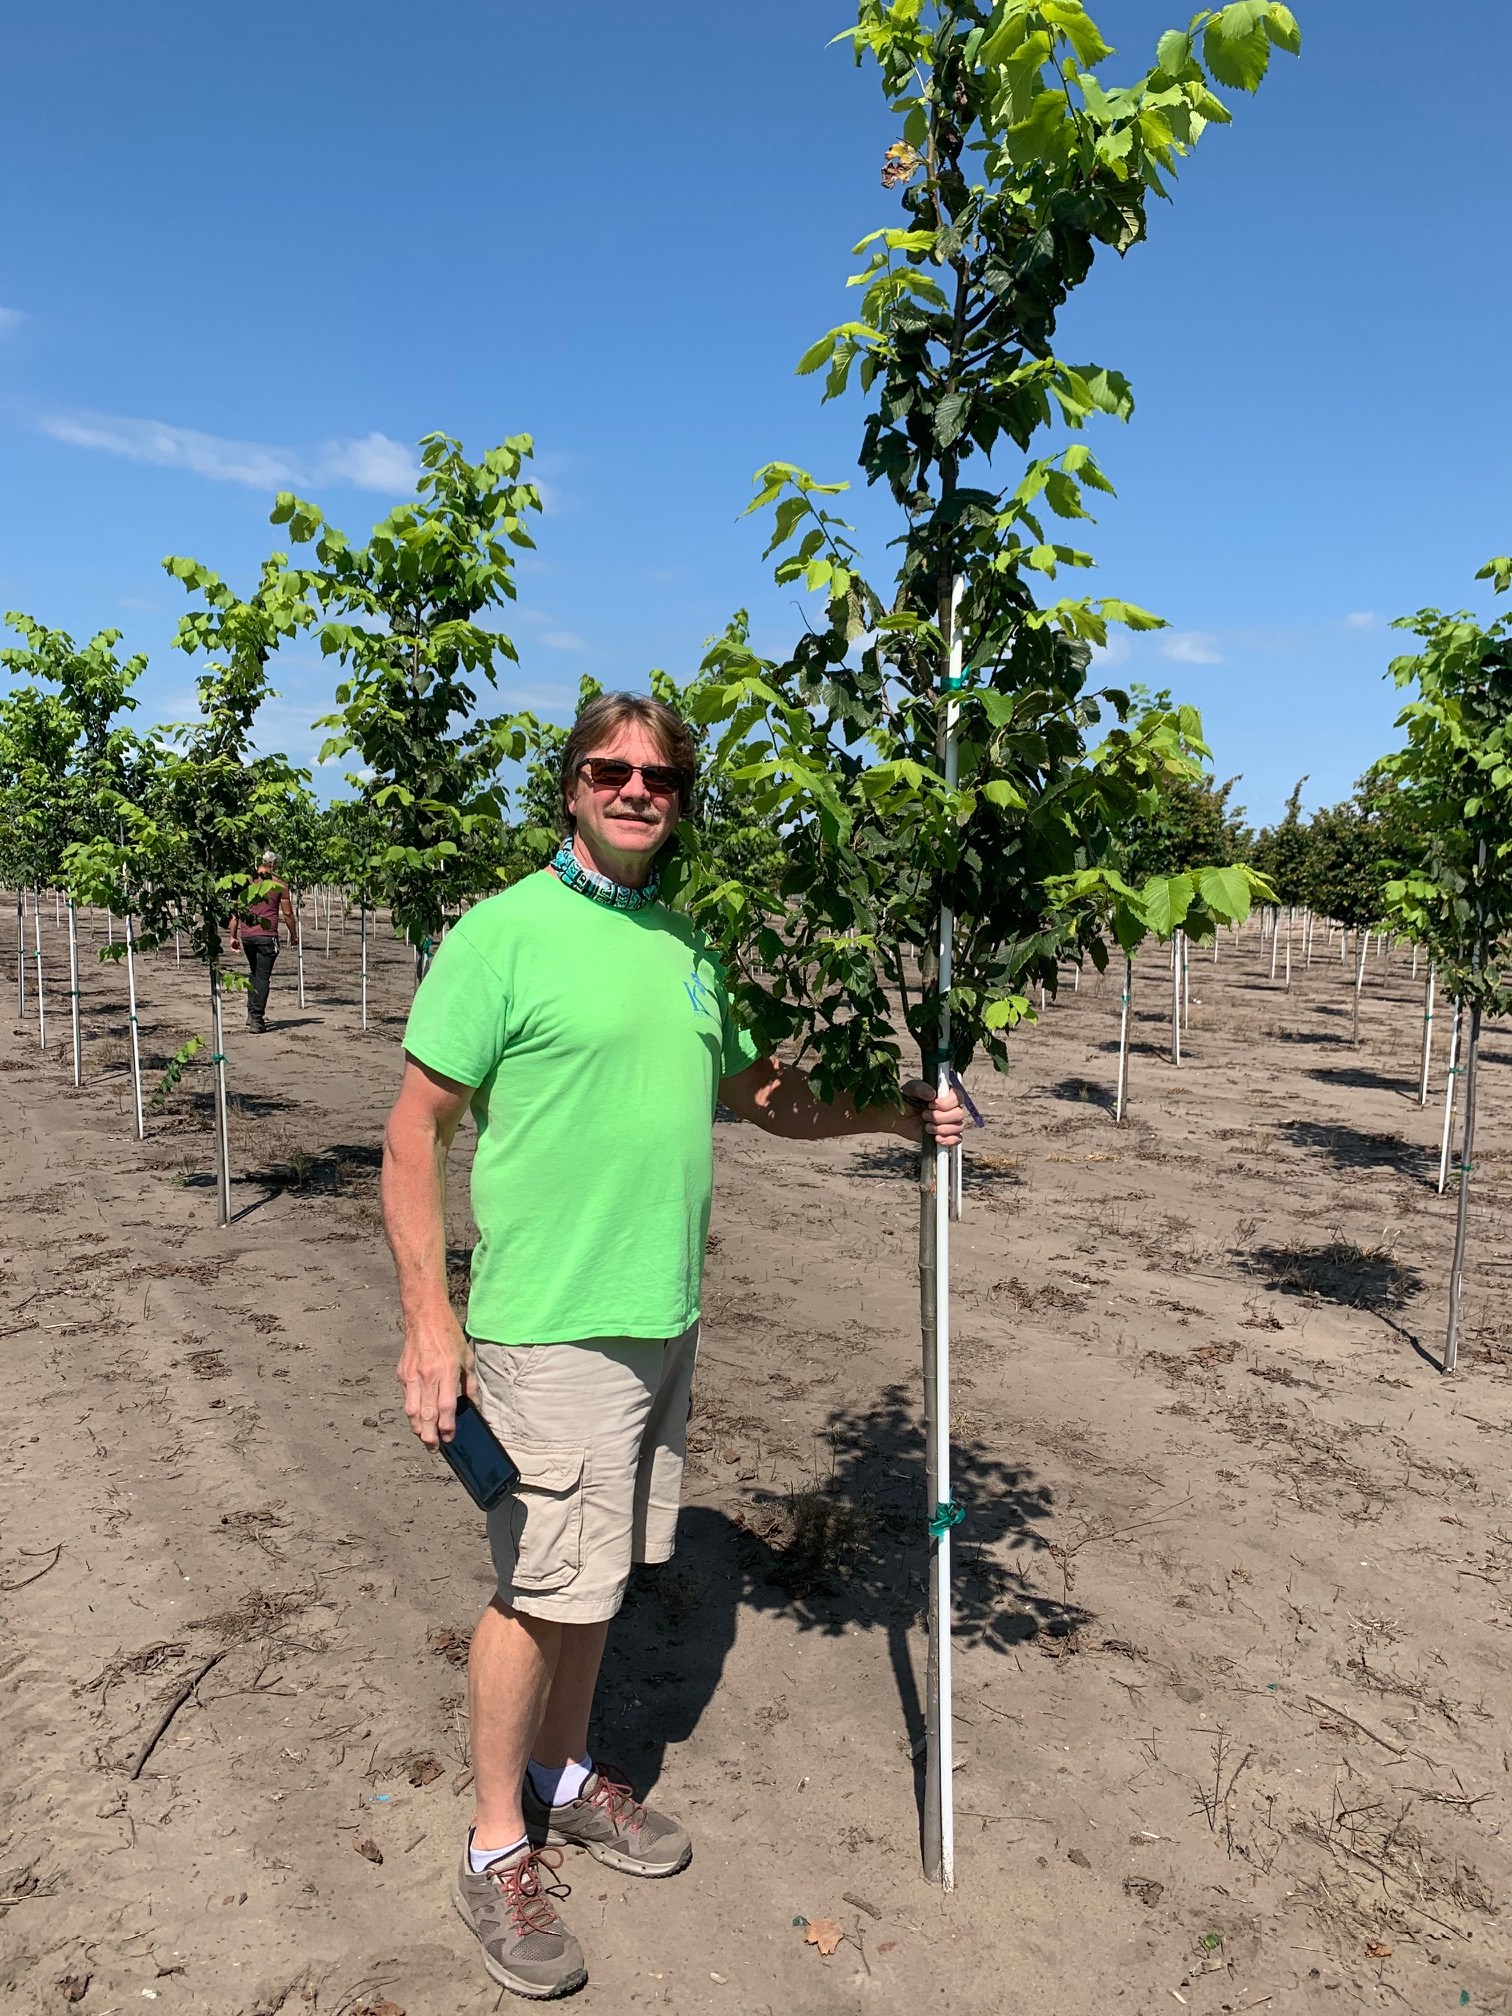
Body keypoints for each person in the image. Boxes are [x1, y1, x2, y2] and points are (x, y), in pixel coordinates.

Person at [381, 691, 965, 2001]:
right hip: (549, 1326)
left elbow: (767, 1101)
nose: (636, 788)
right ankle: (492, 1849)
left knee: (603, 1579)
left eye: (659, 775)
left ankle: (565, 1775)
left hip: (662, 1322)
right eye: (611, 768)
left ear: (681, 799)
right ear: (571, 785)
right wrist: (430, 1321)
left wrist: (896, 1109)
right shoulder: (501, 935)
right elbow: (412, 1131)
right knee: (539, 1586)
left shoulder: (689, 950)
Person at [229, 849, 299, 1034]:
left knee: (254, 972)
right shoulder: (279, 885)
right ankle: (257, 1018)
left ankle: (251, 1013)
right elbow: (288, 914)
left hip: (248, 936)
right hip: (268, 936)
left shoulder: (247, 882)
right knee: (262, 976)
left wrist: (233, 936)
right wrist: (294, 935)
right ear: (273, 864)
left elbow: (235, 913)